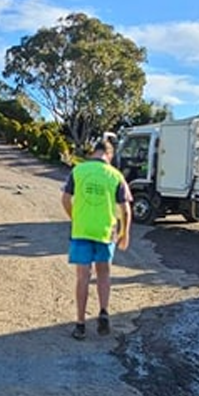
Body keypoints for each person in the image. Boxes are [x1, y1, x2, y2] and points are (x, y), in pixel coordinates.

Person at [62, 138, 131, 339]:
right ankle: (103, 311)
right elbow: (125, 209)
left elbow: (65, 199)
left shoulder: (78, 171)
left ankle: (80, 324)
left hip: (81, 231)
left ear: (93, 152)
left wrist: (75, 218)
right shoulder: (115, 175)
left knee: (83, 277)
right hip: (105, 232)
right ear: (109, 155)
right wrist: (124, 232)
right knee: (103, 274)